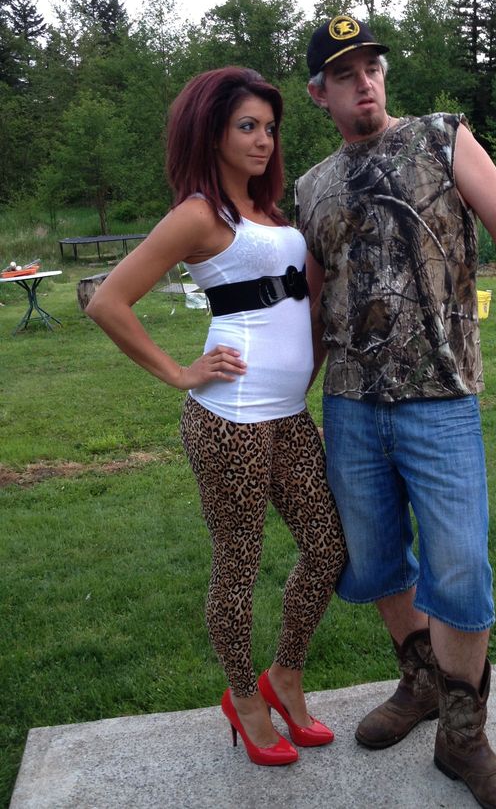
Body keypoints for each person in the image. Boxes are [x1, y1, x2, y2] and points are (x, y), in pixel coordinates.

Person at [296, 15, 496, 809]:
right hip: (349, 406)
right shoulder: (310, 187)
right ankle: (420, 683)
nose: (365, 81)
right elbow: (316, 307)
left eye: (372, 66)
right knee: (376, 561)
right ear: (320, 93)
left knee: (461, 570)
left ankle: (464, 737)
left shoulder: (443, 137)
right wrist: (289, 404)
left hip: (440, 403)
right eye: (345, 74)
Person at [87, 66, 346, 767]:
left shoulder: (271, 215)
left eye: (269, 127)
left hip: (288, 415)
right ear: (214, 132)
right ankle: (244, 695)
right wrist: (179, 372)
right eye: (247, 127)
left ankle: (285, 673)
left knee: (328, 548)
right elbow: (108, 301)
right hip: (229, 418)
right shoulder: (201, 214)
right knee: (238, 565)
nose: (263, 140)